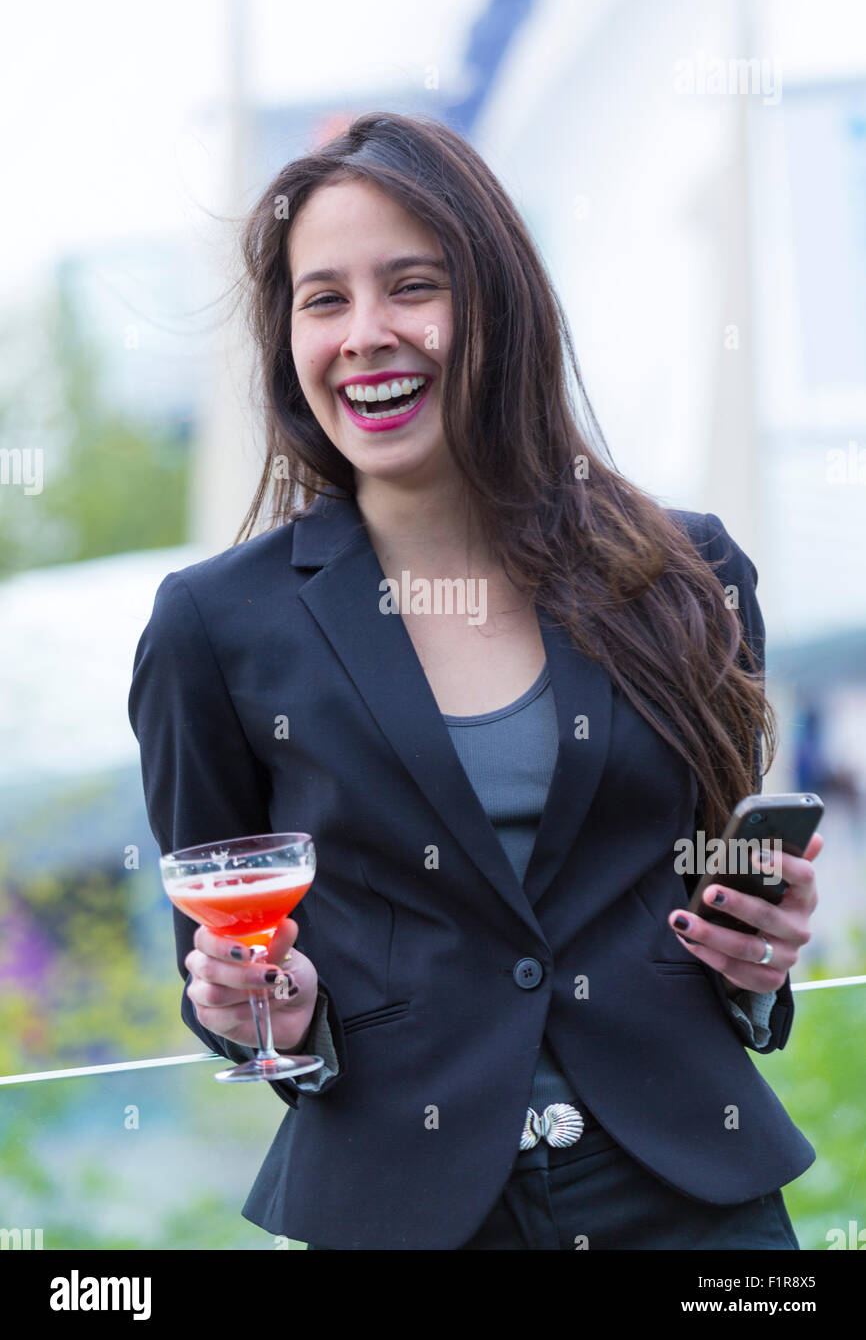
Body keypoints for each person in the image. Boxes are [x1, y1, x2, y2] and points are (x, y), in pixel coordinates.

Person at [128, 111, 821, 1251]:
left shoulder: (687, 574)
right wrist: (272, 1014)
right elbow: (222, 960)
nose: (365, 333)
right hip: (404, 1213)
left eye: (411, 286)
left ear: (498, 305)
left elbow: (713, 893)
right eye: (323, 299)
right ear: (287, 340)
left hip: (695, 1202)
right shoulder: (212, 627)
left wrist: (757, 956)